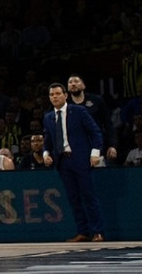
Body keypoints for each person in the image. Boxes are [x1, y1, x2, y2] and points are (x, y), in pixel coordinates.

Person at [43, 82, 106, 242]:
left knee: (89, 196)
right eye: (52, 95)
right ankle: (83, 232)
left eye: (58, 94)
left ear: (65, 95)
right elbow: (48, 139)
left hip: (81, 159)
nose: (55, 97)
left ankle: (98, 232)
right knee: (73, 198)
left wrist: (95, 153)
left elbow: (95, 131)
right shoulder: (49, 117)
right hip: (62, 162)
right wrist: (46, 153)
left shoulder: (78, 111)